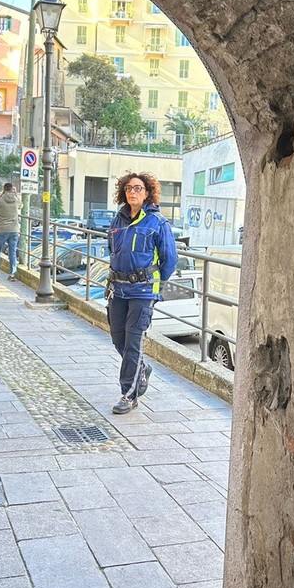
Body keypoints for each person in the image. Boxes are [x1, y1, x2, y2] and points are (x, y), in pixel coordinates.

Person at [105, 171, 177, 414]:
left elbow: (169, 260)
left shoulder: (157, 223)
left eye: (137, 188)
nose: (132, 192)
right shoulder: (118, 221)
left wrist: (155, 284)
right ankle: (141, 369)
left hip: (143, 291)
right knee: (118, 339)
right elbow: (113, 251)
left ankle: (129, 394)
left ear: (147, 193)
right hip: (118, 289)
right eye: (128, 188)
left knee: (133, 342)